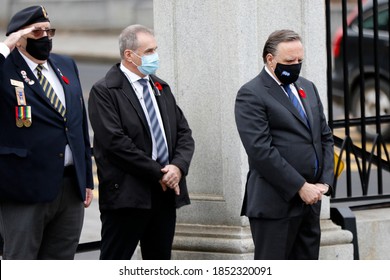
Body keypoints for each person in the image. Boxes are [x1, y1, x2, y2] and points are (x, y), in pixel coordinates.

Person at [88, 24, 195, 260]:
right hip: (128, 195)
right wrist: (160, 172)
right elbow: (116, 143)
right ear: (129, 55)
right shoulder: (105, 91)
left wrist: (177, 167)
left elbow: (184, 133)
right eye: (148, 52)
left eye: (155, 50)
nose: (154, 56)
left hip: (164, 192)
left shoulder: (160, 86)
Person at [0, 6, 94, 259]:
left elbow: (78, 125)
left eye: (48, 30)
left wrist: (86, 178)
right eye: (37, 32)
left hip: (69, 187)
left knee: (61, 260)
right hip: (25, 187)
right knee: (21, 260)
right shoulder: (6, 68)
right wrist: (5, 45)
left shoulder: (65, 64)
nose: (46, 37)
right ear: (19, 39)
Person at [234, 29, 334, 260]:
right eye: (289, 61)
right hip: (275, 205)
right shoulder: (251, 93)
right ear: (270, 59)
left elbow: (324, 136)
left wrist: (324, 182)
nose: (296, 66)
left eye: (300, 60)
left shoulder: (307, 87)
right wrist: (300, 186)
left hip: (311, 202)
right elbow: (260, 150)